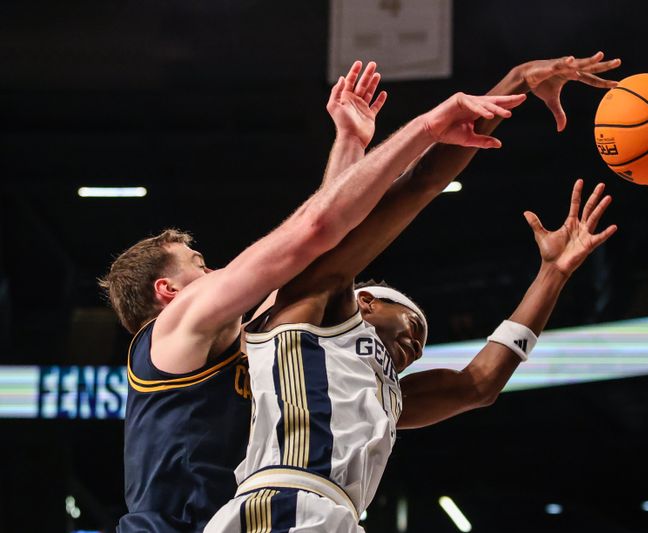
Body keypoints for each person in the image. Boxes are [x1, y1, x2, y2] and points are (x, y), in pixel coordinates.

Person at [101, 58, 526, 532]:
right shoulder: (181, 324)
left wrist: (350, 143)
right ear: (169, 291)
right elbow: (315, 230)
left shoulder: (243, 341)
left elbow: (324, 257)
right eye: (202, 266)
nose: (219, 270)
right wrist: (427, 127)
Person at [204, 53, 621, 532]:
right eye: (413, 324)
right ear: (365, 301)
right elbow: (411, 189)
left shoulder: (386, 396)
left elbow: (479, 385)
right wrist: (515, 81)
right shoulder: (311, 308)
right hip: (283, 504)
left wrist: (553, 274)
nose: (419, 344)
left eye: (421, 340)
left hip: (333, 516)